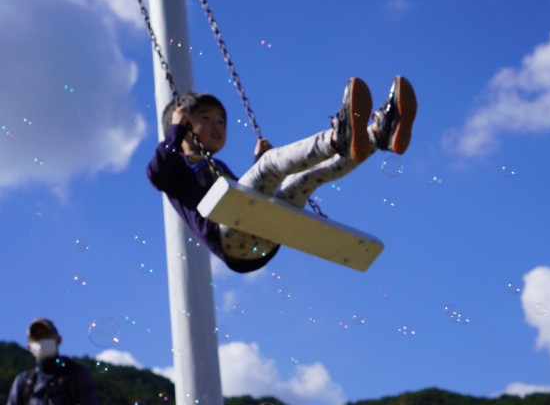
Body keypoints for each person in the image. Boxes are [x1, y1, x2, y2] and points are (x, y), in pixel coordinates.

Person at [147, 76, 417, 273]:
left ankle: (377, 135)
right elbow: (156, 173)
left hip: (263, 236)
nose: (216, 125)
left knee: (304, 179)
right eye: (205, 118)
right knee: (270, 165)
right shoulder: (175, 168)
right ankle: (337, 137)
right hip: (231, 240)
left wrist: (256, 162)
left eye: (221, 120)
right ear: (182, 125)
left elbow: (249, 196)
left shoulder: (217, 167)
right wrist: (174, 133)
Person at [6, 318, 99, 405]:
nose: (41, 340)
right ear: (29, 346)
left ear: (58, 339)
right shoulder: (23, 382)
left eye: (45, 335)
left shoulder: (77, 374)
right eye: (36, 337)